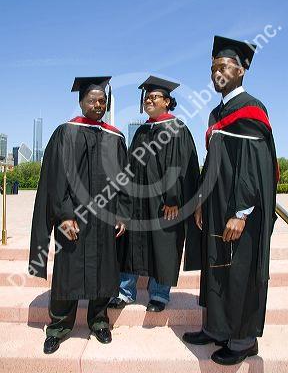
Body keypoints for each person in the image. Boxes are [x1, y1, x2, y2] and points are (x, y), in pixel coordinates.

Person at [183, 36, 278, 365]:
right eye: (213, 69)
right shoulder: (215, 113)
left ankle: (242, 340)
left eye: (222, 67)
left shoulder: (251, 108)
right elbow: (212, 163)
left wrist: (241, 211)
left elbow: (254, 164)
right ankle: (217, 329)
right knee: (218, 268)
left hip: (241, 211)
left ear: (241, 70)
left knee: (238, 271)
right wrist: (199, 200)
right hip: (215, 204)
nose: (216, 74)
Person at [29, 76, 130, 354]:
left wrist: (122, 213)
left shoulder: (115, 136)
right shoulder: (66, 132)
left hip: (105, 218)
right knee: (68, 272)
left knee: (103, 270)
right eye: (92, 100)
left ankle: (99, 321)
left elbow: (124, 180)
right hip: (74, 219)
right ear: (81, 102)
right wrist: (63, 215)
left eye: (102, 100)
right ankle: (59, 326)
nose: (98, 104)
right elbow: (55, 179)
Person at [109, 75, 200, 312]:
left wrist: (174, 199)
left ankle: (159, 295)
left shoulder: (177, 129)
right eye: (147, 97)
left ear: (168, 101)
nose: (149, 100)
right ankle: (125, 291)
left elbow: (181, 167)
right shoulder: (141, 132)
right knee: (130, 244)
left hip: (165, 205)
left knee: (164, 246)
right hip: (138, 202)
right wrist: (123, 206)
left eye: (155, 96)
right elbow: (129, 168)